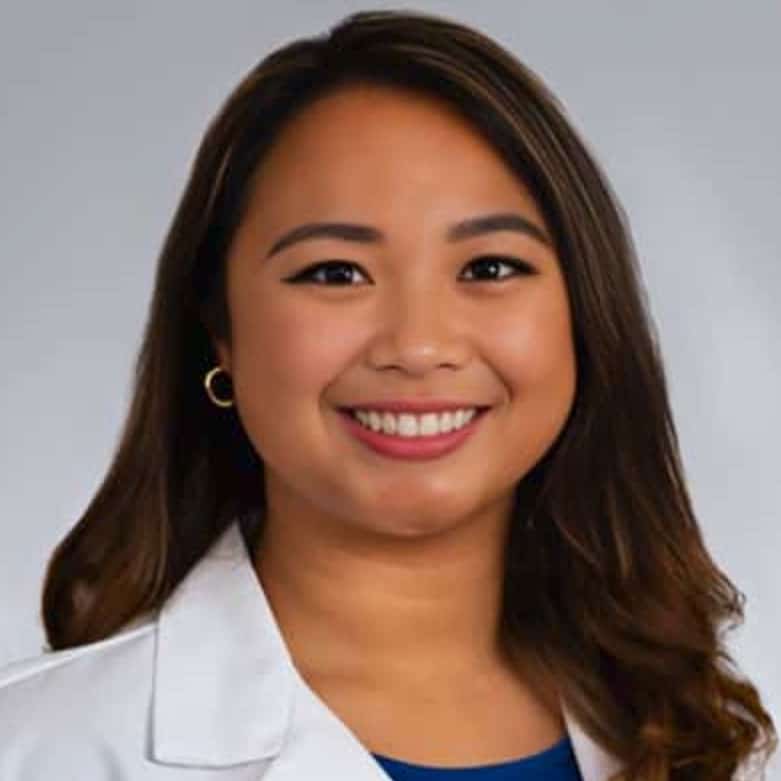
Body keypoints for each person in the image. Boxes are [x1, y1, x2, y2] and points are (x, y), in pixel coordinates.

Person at [0, 8, 775, 780]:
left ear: (582, 314)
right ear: (220, 334)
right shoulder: (38, 749)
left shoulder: (710, 740)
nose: (418, 345)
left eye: (489, 267)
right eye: (334, 272)